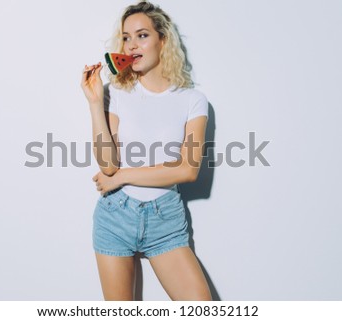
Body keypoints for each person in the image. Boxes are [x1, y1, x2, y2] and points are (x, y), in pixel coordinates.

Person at [81, 1, 211, 301]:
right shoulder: (118, 94)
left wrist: (123, 176)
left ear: (162, 40)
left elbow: (187, 169)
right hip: (115, 215)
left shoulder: (193, 100)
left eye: (142, 35)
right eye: (126, 37)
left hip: (165, 219)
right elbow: (108, 166)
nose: (131, 45)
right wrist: (94, 103)